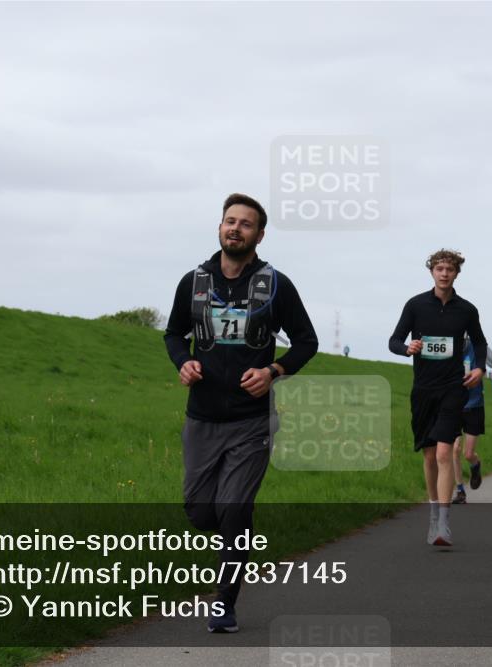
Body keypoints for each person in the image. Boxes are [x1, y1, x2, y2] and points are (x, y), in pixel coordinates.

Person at [164, 193, 318, 633]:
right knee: (199, 511)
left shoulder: (275, 284)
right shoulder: (193, 282)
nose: (235, 228)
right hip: (202, 418)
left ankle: (224, 602)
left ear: (259, 235)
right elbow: (174, 334)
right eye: (229, 221)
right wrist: (183, 362)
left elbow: (306, 342)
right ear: (219, 227)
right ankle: (238, 539)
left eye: (245, 224)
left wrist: (274, 370)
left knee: (233, 508)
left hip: (252, 421)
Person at [389, 249, 487, 545]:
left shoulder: (467, 310)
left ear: (457, 273)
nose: (444, 273)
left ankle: (444, 524)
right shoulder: (416, 305)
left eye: (450, 269)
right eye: (440, 268)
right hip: (423, 390)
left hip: (453, 388)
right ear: (432, 271)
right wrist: (408, 348)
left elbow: (480, 342)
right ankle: (433, 513)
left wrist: (480, 368)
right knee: (430, 455)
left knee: (445, 453)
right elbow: (394, 340)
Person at [452, 335, 486, 503]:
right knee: (455, 449)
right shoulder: (447, 344)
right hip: (453, 405)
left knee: (468, 453)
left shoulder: (476, 345)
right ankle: (460, 491)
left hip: (474, 405)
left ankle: (475, 465)